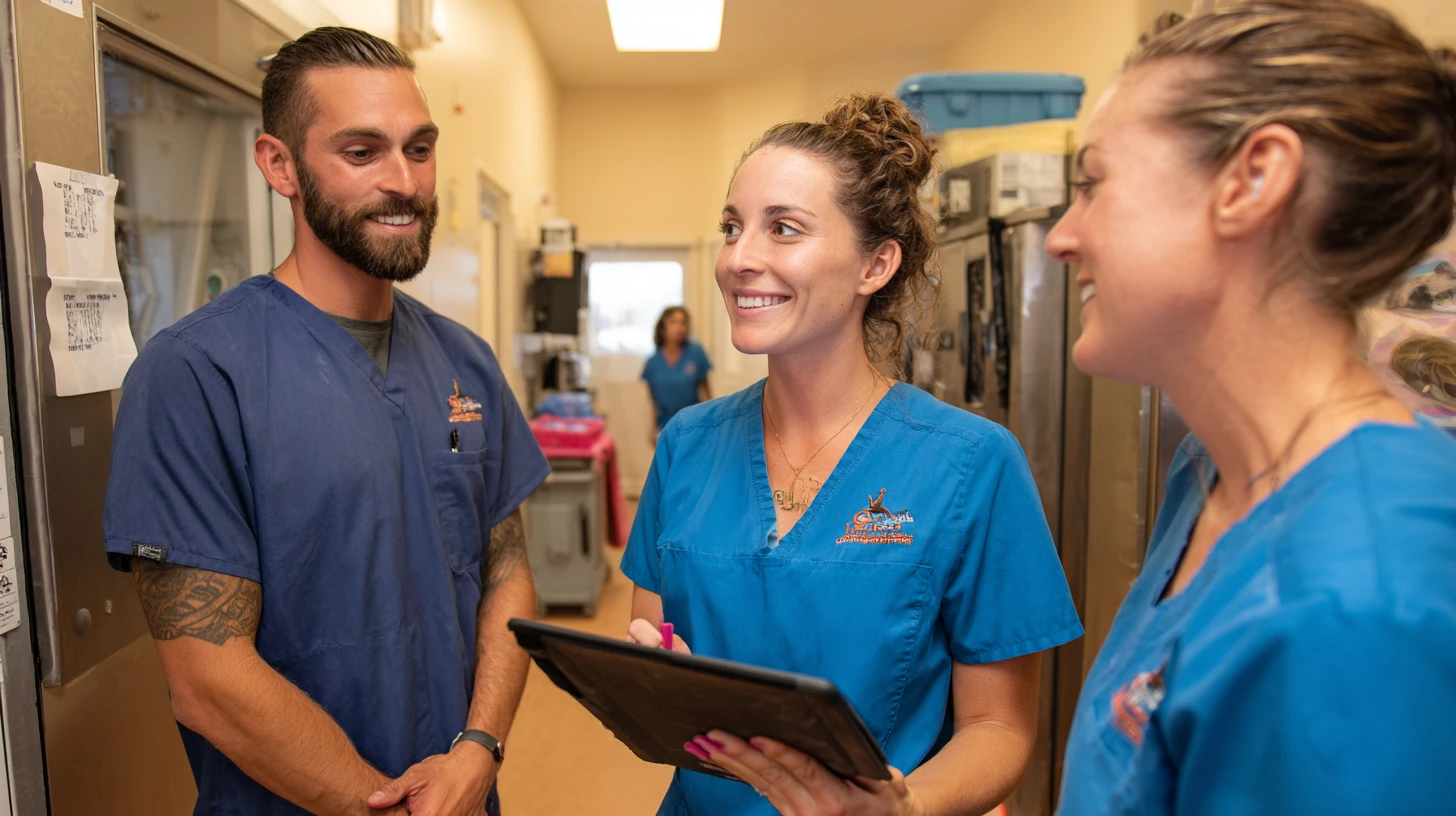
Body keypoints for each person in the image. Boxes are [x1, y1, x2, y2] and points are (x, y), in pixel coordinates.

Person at [101, 27, 548, 816]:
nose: (403, 181)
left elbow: (506, 572)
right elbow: (207, 679)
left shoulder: (465, 363)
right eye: (362, 152)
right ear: (280, 166)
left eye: (419, 148)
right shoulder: (197, 375)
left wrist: (479, 749)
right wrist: (387, 807)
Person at [621, 93, 1083, 816]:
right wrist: (649, 686)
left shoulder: (972, 464)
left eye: (784, 229)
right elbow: (655, 646)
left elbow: (998, 727)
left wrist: (904, 807)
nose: (740, 259)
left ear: (876, 264)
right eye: (732, 227)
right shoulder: (687, 444)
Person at [1047, 1, 1456, 812]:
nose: (1063, 235)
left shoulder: (1363, 598)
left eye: (1093, 185)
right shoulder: (1212, 471)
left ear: (1254, 180)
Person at [642, 306, 712, 441]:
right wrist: (652, 428)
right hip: (666, 425)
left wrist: (713, 422)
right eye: (673, 322)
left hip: (695, 423)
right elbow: (653, 402)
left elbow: (707, 393)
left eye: (683, 323)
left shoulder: (696, 353)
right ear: (663, 328)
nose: (679, 328)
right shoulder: (652, 363)